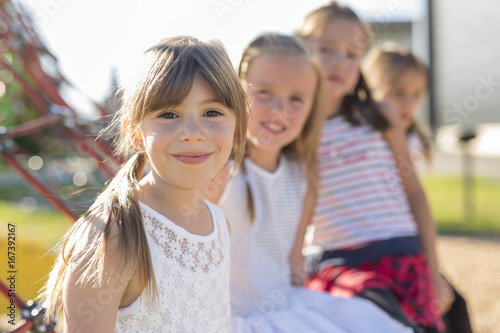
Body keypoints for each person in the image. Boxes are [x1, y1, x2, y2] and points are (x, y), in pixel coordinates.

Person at [40, 36, 248, 333]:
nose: (192, 133)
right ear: (136, 134)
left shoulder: (218, 223)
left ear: (239, 127)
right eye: (168, 114)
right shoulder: (113, 238)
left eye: (212, 112)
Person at [208, 32, 412, 333]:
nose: (280, 109)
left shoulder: (302, 174)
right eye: (264, 92)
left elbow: (293, 261)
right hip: (232, 319)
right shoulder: (219, 173)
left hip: (287, 308)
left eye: (296, 99)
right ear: (236, 90)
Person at [294, 2, 454, 332]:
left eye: (352, 54)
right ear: (301, 50)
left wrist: (434, 269)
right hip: (337, 262)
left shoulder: (380, 117)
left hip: (402, 253)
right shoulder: (295, 130)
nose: (340, 62)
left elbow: (414, 193)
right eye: (326, 49)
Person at [363, 43, 473, 333]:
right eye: (398, 93)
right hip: (378, 251)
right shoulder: (366, 141)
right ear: (371, 87)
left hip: (410, 248)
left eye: (416, 95)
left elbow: (413, 199)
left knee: (455, 305)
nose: (408, 104)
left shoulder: (410, 141)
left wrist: (431, 264)